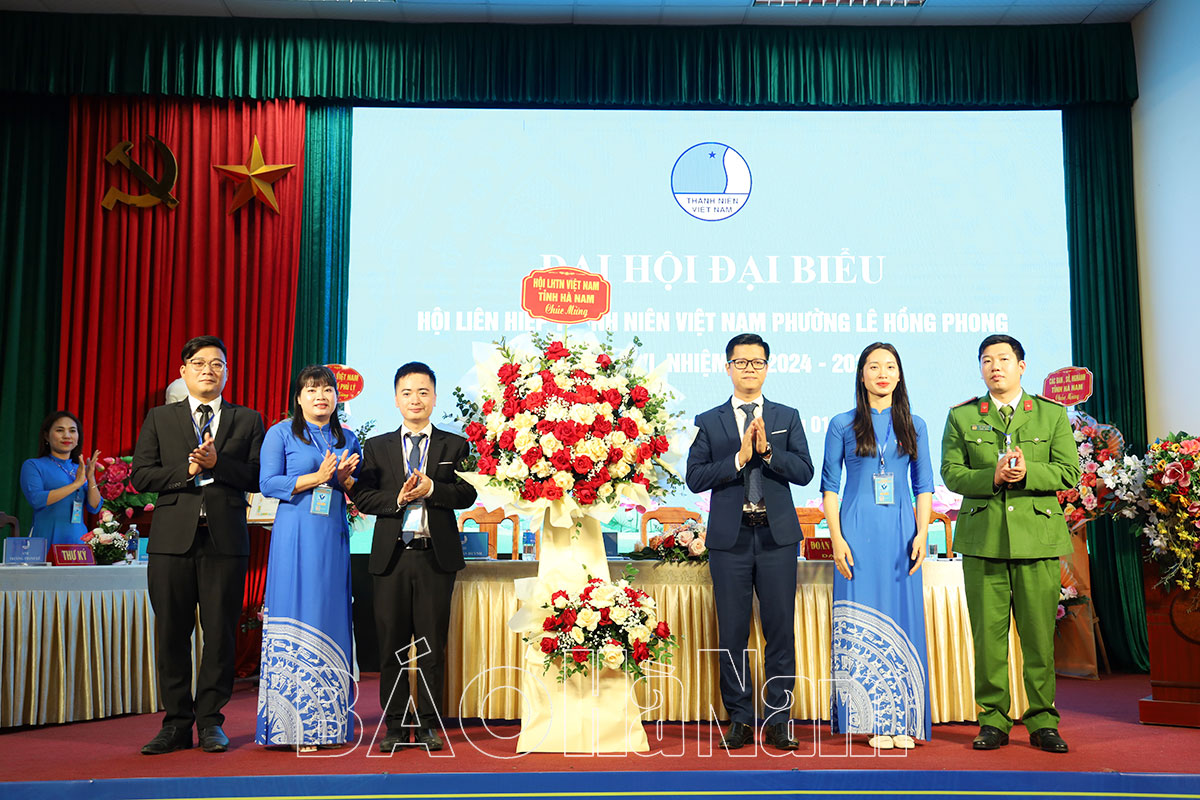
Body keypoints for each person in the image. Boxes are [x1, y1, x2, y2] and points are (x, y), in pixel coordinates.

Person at [940, 334, 1078, 754]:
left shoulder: (1050, 413)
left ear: (1021, 366)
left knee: (1038, 638)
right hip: (984, 542)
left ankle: (1043, 721)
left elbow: (1069, 472)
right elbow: (951, 473)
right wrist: (994, 476)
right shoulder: (963, 416)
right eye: (987, 360)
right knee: (988, 639)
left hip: (1037, 540)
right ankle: (993, 720)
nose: (995, 366)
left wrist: (1028, 472)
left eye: (1003, 359)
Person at [131, 335, 265, 755]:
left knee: (220, 633)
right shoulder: (160, 418)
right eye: (200, 363)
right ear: (183, 371)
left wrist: (217, 464)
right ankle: (175, 723)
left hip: (224, 540)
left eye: (218, 364)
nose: (209, 370)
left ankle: (210, 722)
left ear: (227, 372)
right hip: (171, 541)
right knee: (171, 632)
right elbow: (141, 476)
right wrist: (187, 470)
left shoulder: (247, 420)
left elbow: (257, 477)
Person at [685, 333, 814, 751]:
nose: (749, 369)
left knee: (780, 631)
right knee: (733, 633)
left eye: (757, 362)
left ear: (767, 368)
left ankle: (778, 720)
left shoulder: (787, 416)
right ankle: (739, 718)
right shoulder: (709, 420)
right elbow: (695, 477)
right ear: (728, 368)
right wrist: (740, 458)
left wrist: (768, 451)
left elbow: (805, 471)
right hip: (731, 539)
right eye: (741, 362)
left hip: (776, 539)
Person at [347, 362, 476, 753]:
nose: (415, 399)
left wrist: (433, 488)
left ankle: (430, 723)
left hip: (435, 557)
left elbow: (468, 493)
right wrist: (398, 498)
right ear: (396, 399)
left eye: (423, 392)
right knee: (392, 646)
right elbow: (363, 495)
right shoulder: (377, 446)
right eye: (407, 392)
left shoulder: (454, 445)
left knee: (431, 645)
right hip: (392, 558)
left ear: (434, 397)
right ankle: (396, 725)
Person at [821, 343, 933, 750]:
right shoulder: (841, 424)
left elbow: (923, 486)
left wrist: (922, 533)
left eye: (889, 366)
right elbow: (830, 487)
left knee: (904, 617)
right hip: (855, 530)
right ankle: (868, 721)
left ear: (899, 375)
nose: (882, 373)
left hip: (902, 531)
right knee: (858, 621)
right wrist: (836, 539)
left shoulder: (915, 425)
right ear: (862, 375)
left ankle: (904, 719)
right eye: (874, 367)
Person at [256, 365, 361, 751]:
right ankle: (291, 727)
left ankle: (329, 725)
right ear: (298, 398)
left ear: (336, 397)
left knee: (330, 614)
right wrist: (317, 477)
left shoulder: (347, 437)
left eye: (327, 390)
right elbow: (268, 483)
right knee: (297, 610)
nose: (321, 396)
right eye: (312, 390)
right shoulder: (281, 433)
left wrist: (345, 479)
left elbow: (358, 488)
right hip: (295, 534)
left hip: (332, 535)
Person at [19, 411, 102, 547]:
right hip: (47, 540)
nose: (67, 435)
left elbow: (94, 507)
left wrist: (91, 478)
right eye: (60, 430)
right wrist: (76, 484)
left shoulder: (80, 468)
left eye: (72, 431)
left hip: (78, 542)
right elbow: (36, 500)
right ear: (46, 436)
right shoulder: (34, 465)